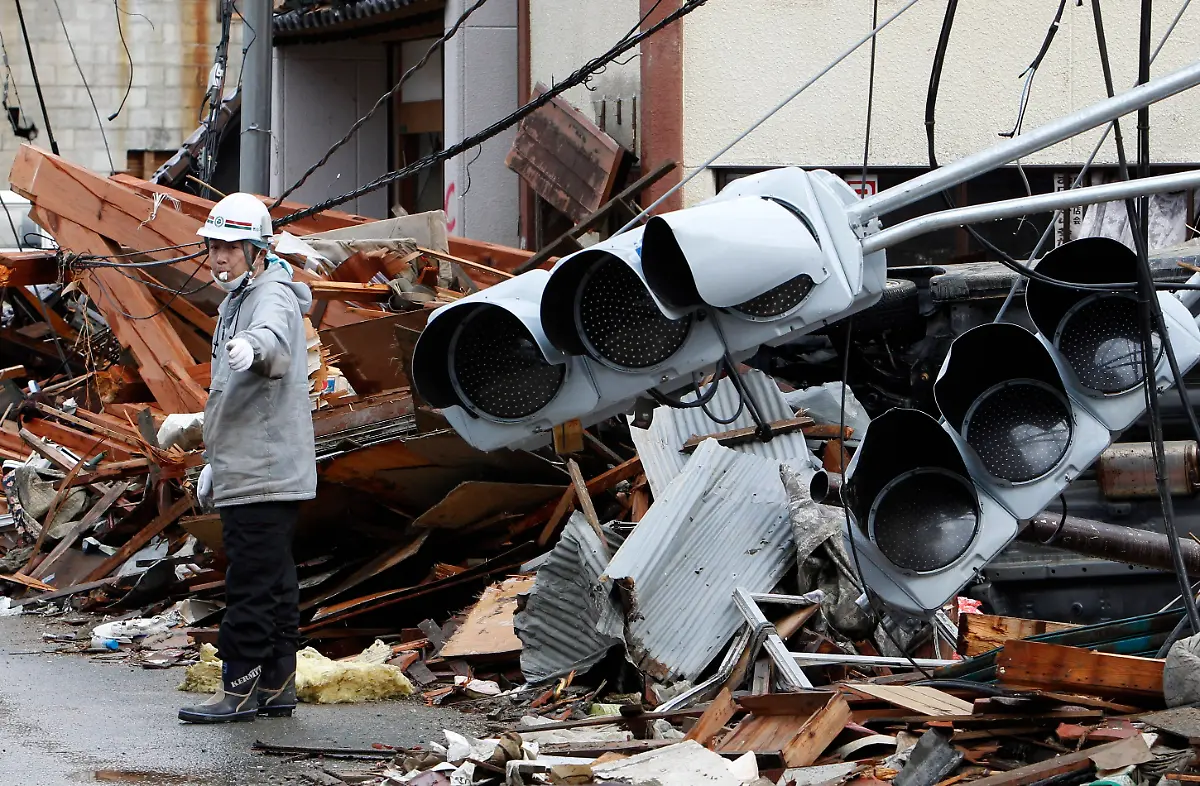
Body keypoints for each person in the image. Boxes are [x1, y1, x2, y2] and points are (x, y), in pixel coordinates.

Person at [178, 193, 316, 724]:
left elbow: (274, 342)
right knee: (275, 581)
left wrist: (253, 349)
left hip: (264, 472)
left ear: (256, 250)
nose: (218, 258)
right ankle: (278, 686)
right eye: (213, 247)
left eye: (230, 248)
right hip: (256, 467)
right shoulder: (239, 298)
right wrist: (218, 458)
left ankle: (235, 689)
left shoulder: (269, 295)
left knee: (250, 585)